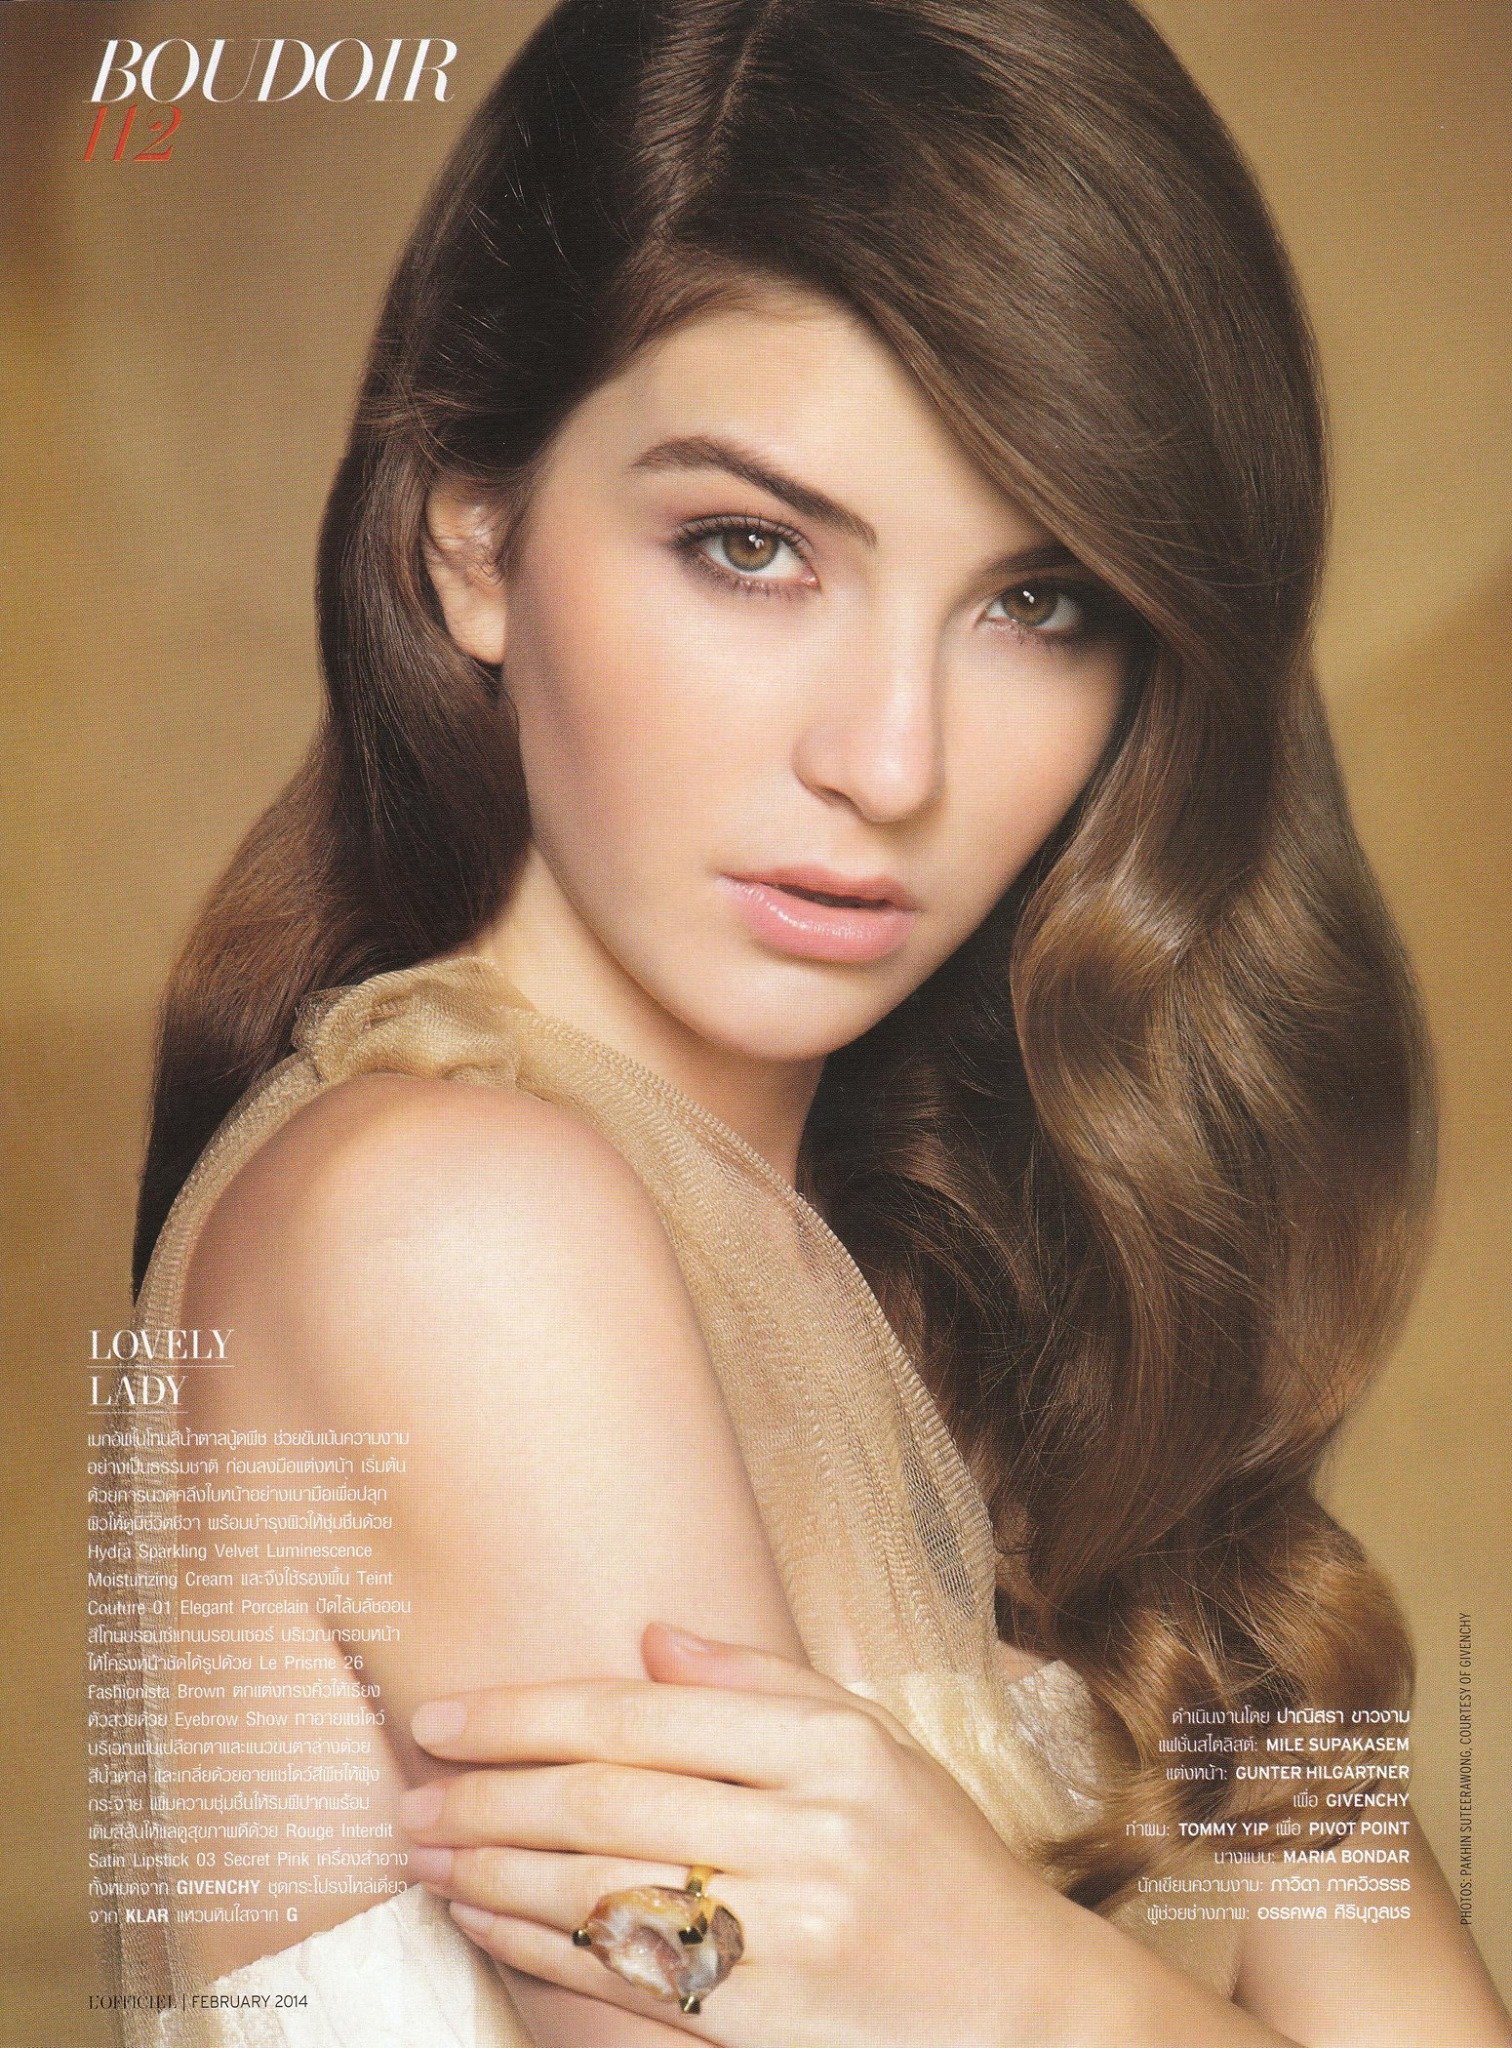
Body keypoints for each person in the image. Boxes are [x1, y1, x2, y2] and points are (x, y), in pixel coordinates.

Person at [121, 0, 1510, 2042]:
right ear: (472, 536)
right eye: (750, 547)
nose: (891, 759)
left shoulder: (998, 1302)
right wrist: (1051, 1997)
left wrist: (1033, 1989)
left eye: (1038, 602)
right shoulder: (450, 1225)